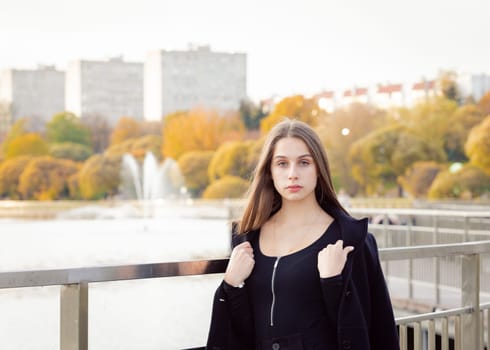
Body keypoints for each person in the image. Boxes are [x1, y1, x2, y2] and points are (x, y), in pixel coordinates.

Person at [206, 119, 399, 350]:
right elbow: (239, 330)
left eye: (304, 163)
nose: (292, 174)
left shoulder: (349, 240)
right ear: (270, 170)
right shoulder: (247, 239)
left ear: (319, 169)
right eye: (282, 163)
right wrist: (230, 285)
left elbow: (378, 329)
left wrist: (332, 283)